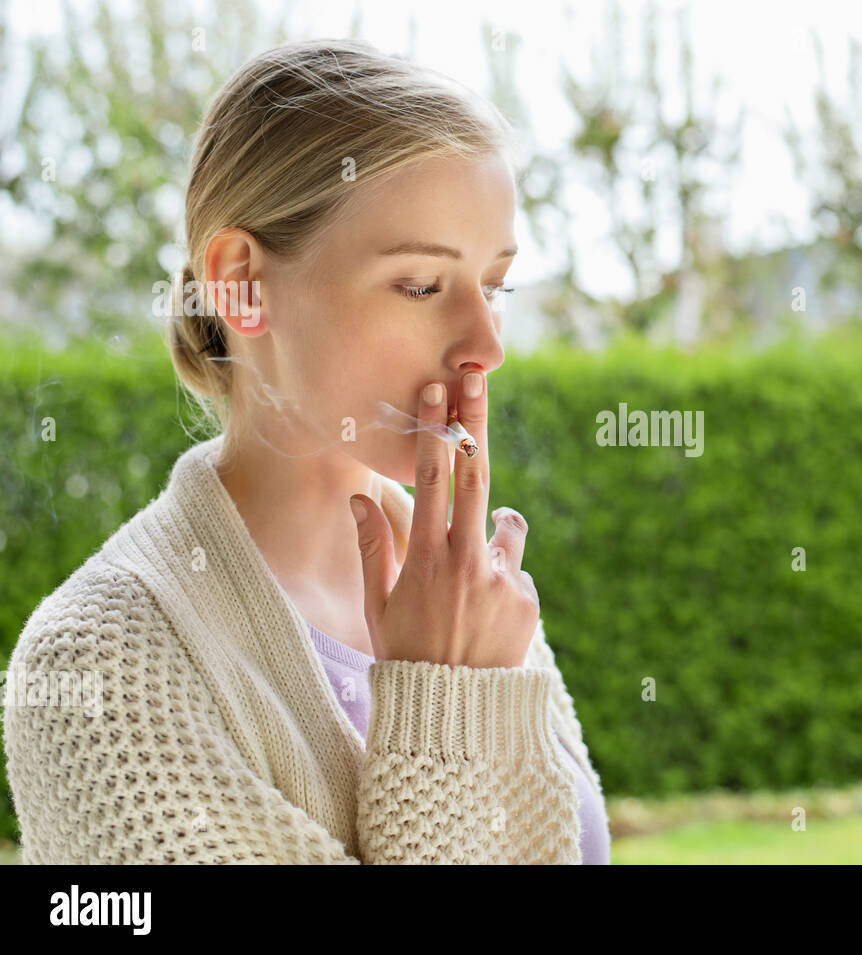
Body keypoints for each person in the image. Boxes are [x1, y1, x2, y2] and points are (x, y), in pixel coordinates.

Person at [2, 38, 610, 865]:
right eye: (421, 285)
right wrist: (445, 697)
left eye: (495, 285)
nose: (485, 345)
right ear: (242, 283)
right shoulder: (99, 667)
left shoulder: (463, 589)